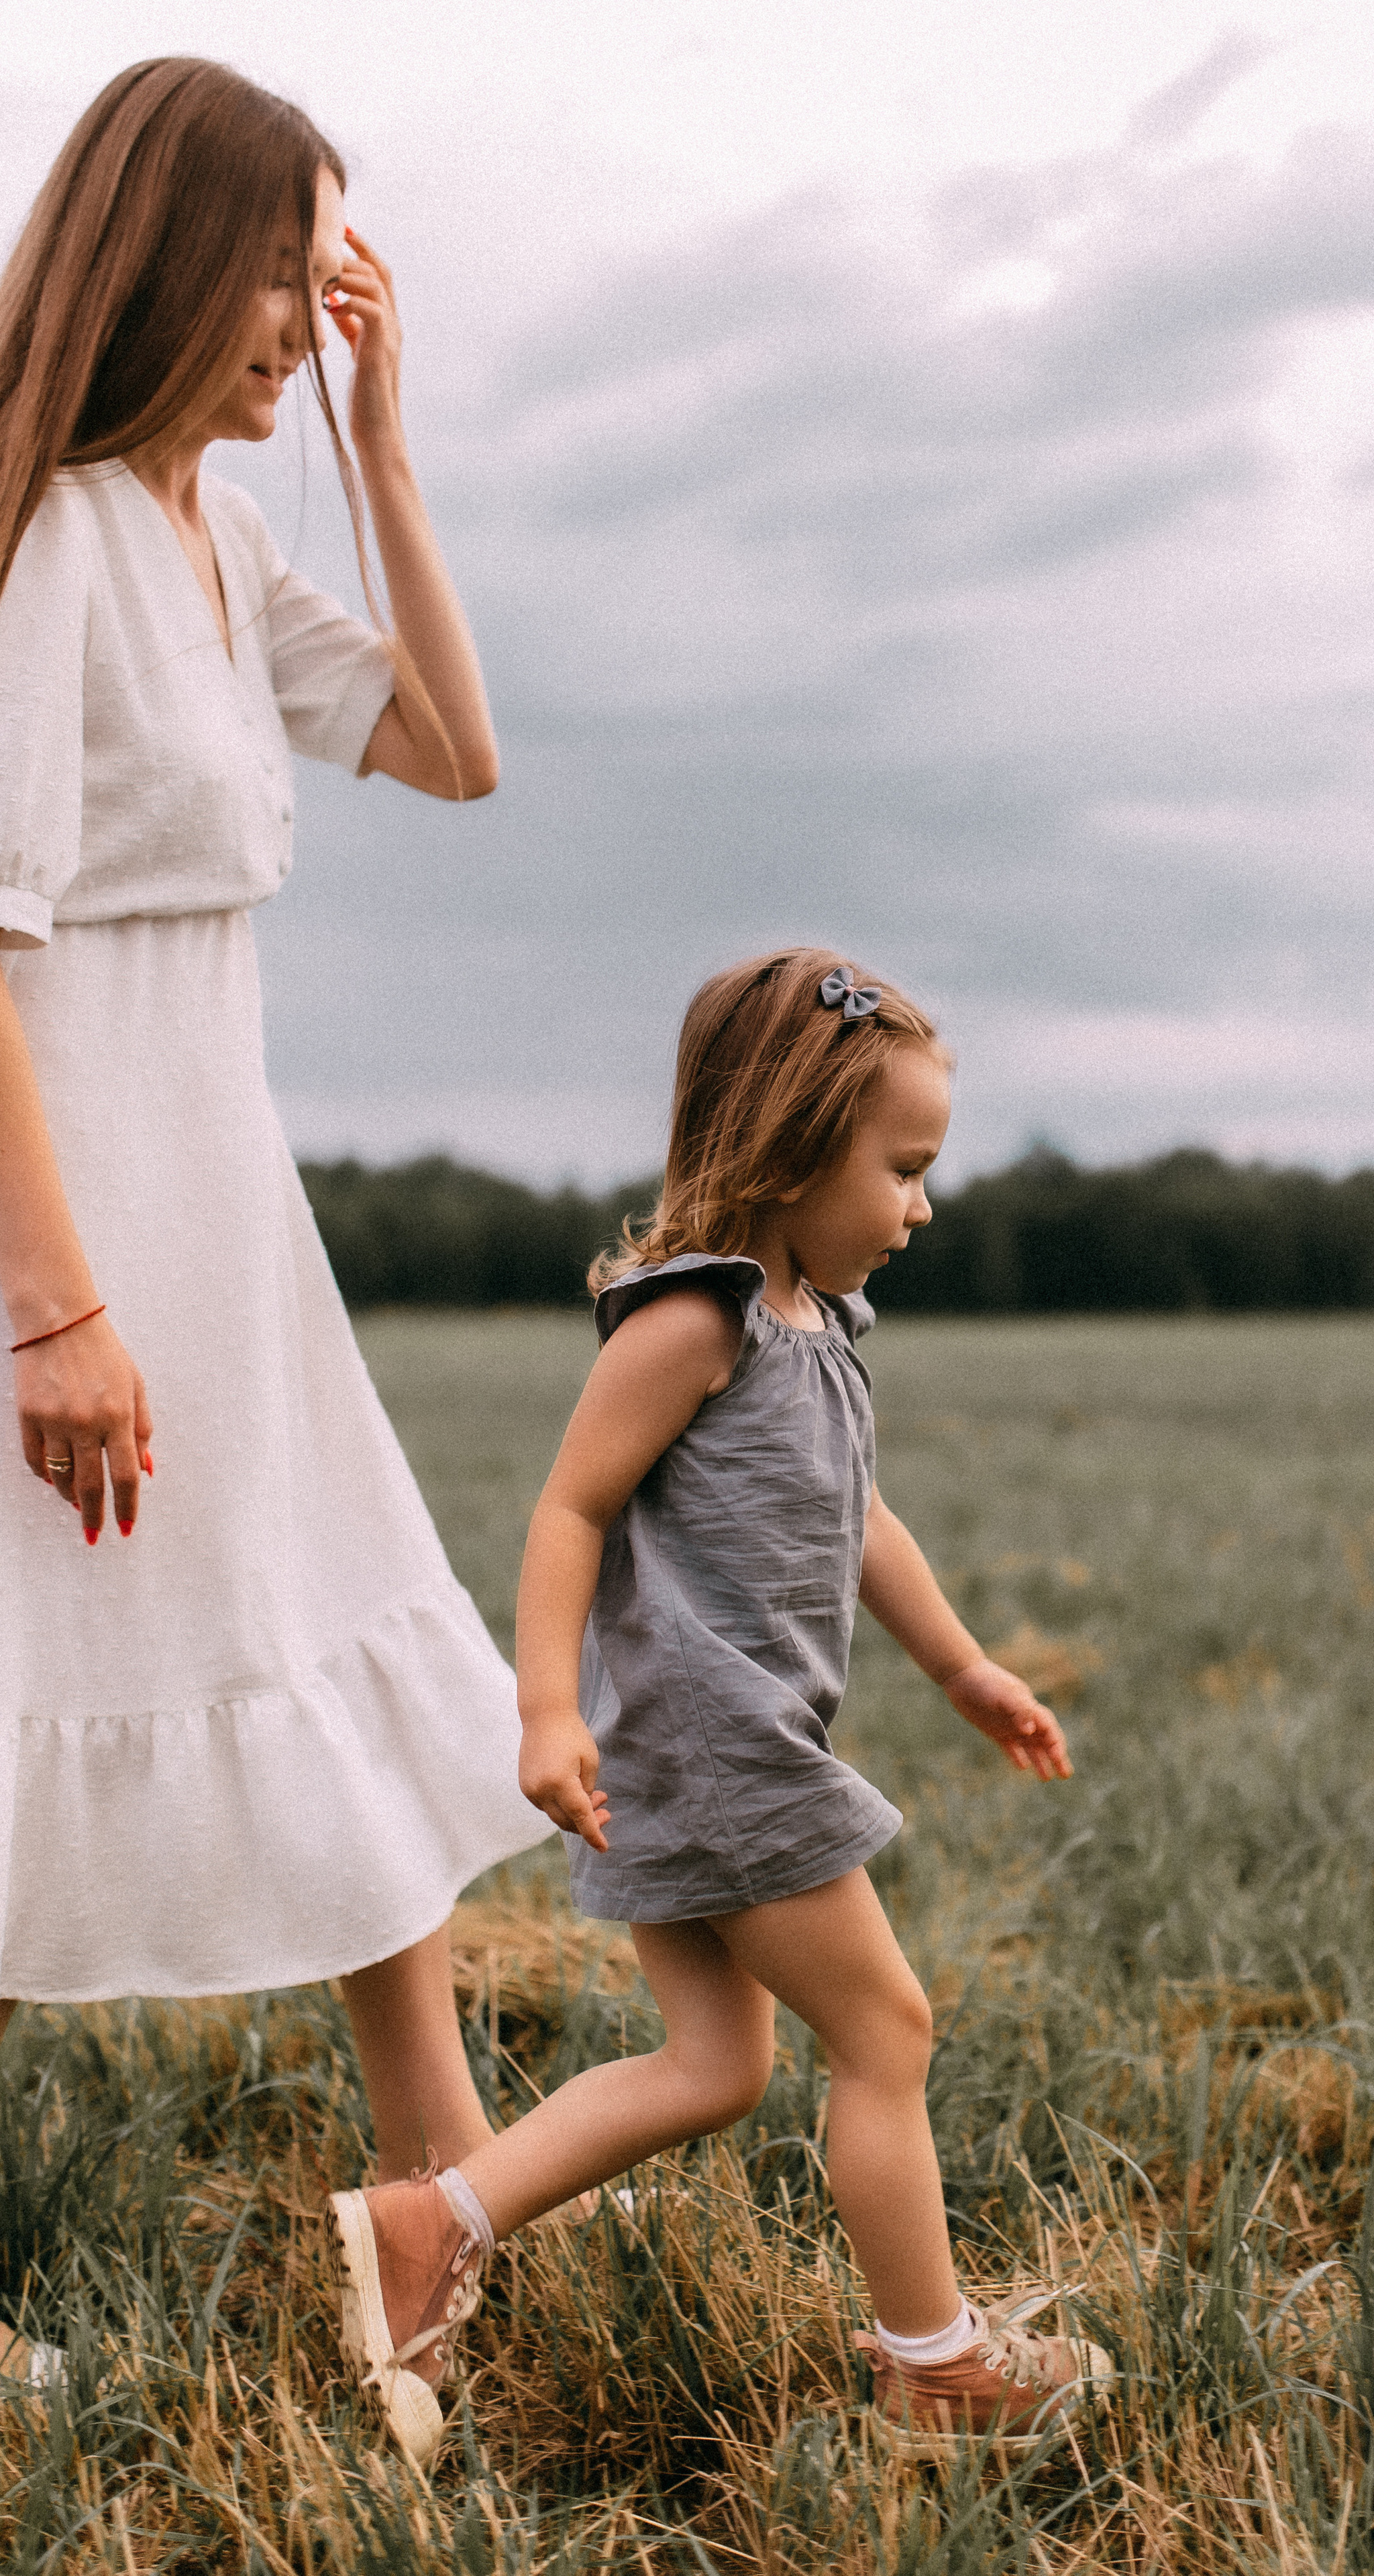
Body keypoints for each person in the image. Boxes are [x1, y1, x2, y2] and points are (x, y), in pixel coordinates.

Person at [329, 948, 1114, 2464]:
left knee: (716, 2068)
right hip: (716, 1749)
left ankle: (437, 2221)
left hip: (715, 1749)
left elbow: (858, 1518)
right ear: (788, 1146)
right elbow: (569, 1511)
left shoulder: (818, 1328)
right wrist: (543, 1711)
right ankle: (934, 2365)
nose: (921, 1207)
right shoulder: (695, 1324)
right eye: (902, 1169)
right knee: (886, 2030)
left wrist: (963, 1666)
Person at [0, 62, 544, 2163]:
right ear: (158, 259)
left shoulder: (212, 531)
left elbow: (454, 748)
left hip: (216, 1204)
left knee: (316, 1635)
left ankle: (439, 2192)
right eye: (277, 274)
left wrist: (379, 447)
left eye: (330, 283)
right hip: (72, 1219)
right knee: (46, 1693)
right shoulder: (50, 538)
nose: (307, 321)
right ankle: (443, 2184)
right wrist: (55, 1314)